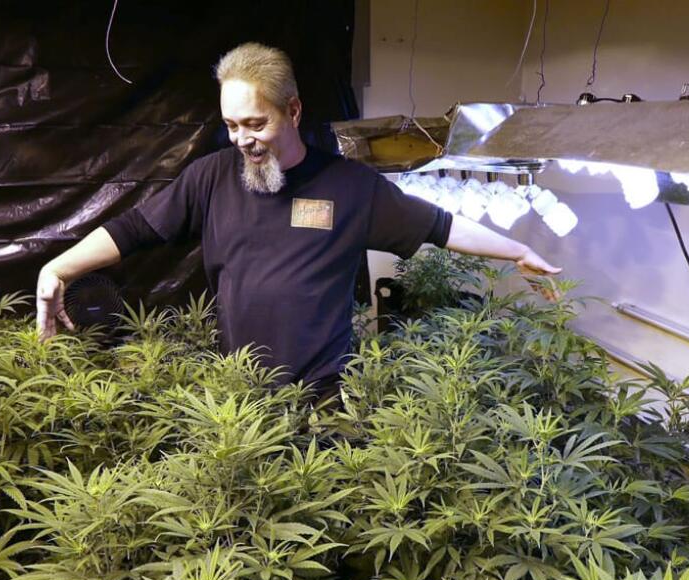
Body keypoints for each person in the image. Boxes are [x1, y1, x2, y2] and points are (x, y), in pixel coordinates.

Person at [35, 42, 561, 402]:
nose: (242, 139)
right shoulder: (211, 177)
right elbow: (135, 230)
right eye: (232, 125)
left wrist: (517, 251)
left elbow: (439, 226)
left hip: (323, 400)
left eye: (256, 123)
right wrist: (57, 269)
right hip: (236, 397)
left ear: (293, 111)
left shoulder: (350, 187)